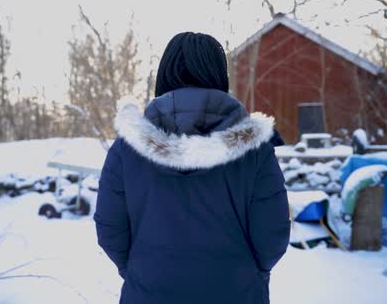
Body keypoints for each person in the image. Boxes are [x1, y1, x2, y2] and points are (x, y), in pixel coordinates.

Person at [94, 32, 290, 304]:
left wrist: (141, 272)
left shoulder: (127, 147)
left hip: (149, 293)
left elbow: (110, 228)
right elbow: (273, 232)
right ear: (219, 74)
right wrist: (250, 276)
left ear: (165, 72)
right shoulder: (254, 148)